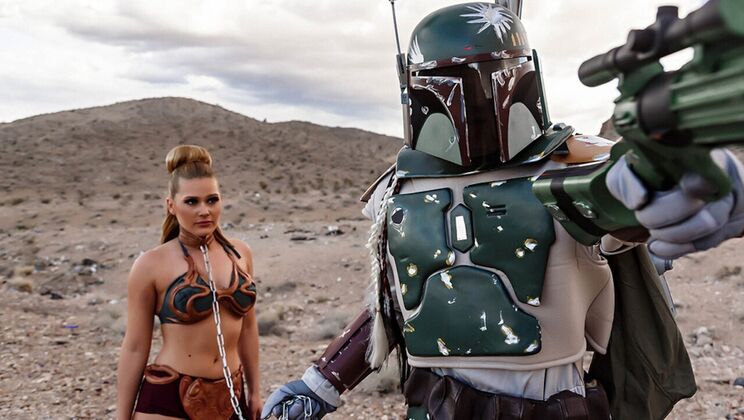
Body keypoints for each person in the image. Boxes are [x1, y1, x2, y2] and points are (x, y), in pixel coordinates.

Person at [261, 2, 744, 420]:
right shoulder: (397, 188)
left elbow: (623, 200)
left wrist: (688, 180)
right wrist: (320, 384)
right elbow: (393, 306)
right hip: (433, 401)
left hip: (548, 404)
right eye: (454, 81)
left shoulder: (569, 166)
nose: (475, 102)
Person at [116, 145, 262, 420]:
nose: (204, 210)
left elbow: (248, 329)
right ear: (171, 205)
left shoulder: (240, 254)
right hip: (169, 399)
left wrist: (254, 391)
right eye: (192, 202)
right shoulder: (150, 265)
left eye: (212, 200)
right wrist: (122, 417)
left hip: (230, 397)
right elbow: (135, 346)